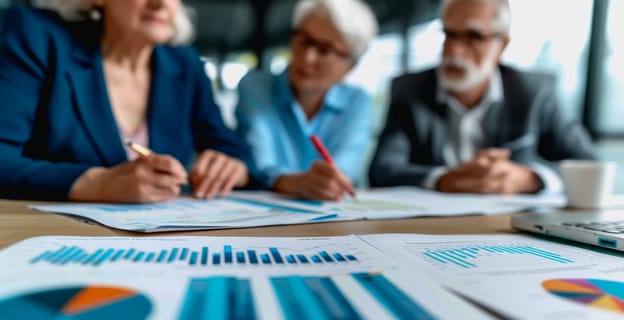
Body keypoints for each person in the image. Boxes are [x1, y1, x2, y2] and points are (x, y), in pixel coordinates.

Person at [0, 0, 262, 203]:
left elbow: (236, 153)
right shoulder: (38, 36)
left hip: (163, 246)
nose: (161, 3)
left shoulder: (185, 64)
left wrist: (233, 168)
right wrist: (99, 184)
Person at [369, 0, 596, 194]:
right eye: (449, 34)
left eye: (473, 37)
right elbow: (383, 170)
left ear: (502, 45)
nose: (454, 51)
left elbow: (588, 165)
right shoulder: (409, 89)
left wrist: (528, 179)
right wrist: (448, 180)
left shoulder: (533, 92)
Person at [235, 0, 378, 201]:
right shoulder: (255, 87)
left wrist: (330, 183)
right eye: (305, 40)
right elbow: (259, 164)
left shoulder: (358, 102)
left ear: (350, 66)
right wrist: (293, 183)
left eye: (325, 50)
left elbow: (344, 171)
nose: (308, 57)